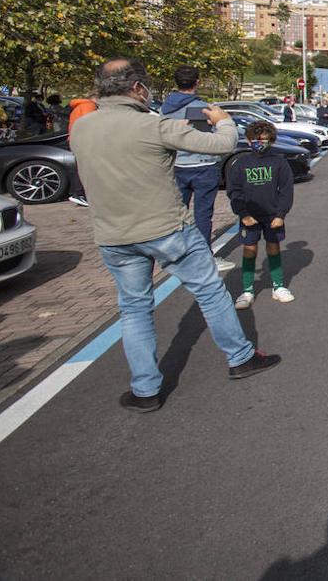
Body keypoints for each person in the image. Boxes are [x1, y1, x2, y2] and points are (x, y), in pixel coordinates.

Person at [69, 58, 279, 412]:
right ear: (137, 89)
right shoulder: (153, 126)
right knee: (210, 291)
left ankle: (145, 390)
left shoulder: (81, 128)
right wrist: (223, 121)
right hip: (165, 229)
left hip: (113, 235)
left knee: (134, 308)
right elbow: (223, 145)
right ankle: (241, 357)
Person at [161, 67, 228, 263]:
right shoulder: (204, 108)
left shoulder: (165, 109)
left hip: (176, 165)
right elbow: (215, 135)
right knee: (203, 214)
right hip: (203, 164)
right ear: (197, 82)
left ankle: (179, 254)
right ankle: (204, 255)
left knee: (177, 213)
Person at [226, 120, 295, 308]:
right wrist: (243, 214)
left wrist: (281, 214)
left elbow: (286, 190)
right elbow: (234, 191)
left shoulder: (279, 162)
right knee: (250, 250)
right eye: (256, 140)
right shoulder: (240, 164)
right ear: (248, 141)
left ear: (271, 141)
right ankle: (247, 290)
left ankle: (278, 286)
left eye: (264, 140)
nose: (260, 143)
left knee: (273, 247)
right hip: (249, 216)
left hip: (272, 215)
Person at [66, 93, 98, 207]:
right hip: (83, 140)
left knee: (81, 166)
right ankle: (79, 194)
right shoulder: (89, 106)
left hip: (76, 139)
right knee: (84, 167)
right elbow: (90, 124)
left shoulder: (80, 106)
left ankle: (79, 194)